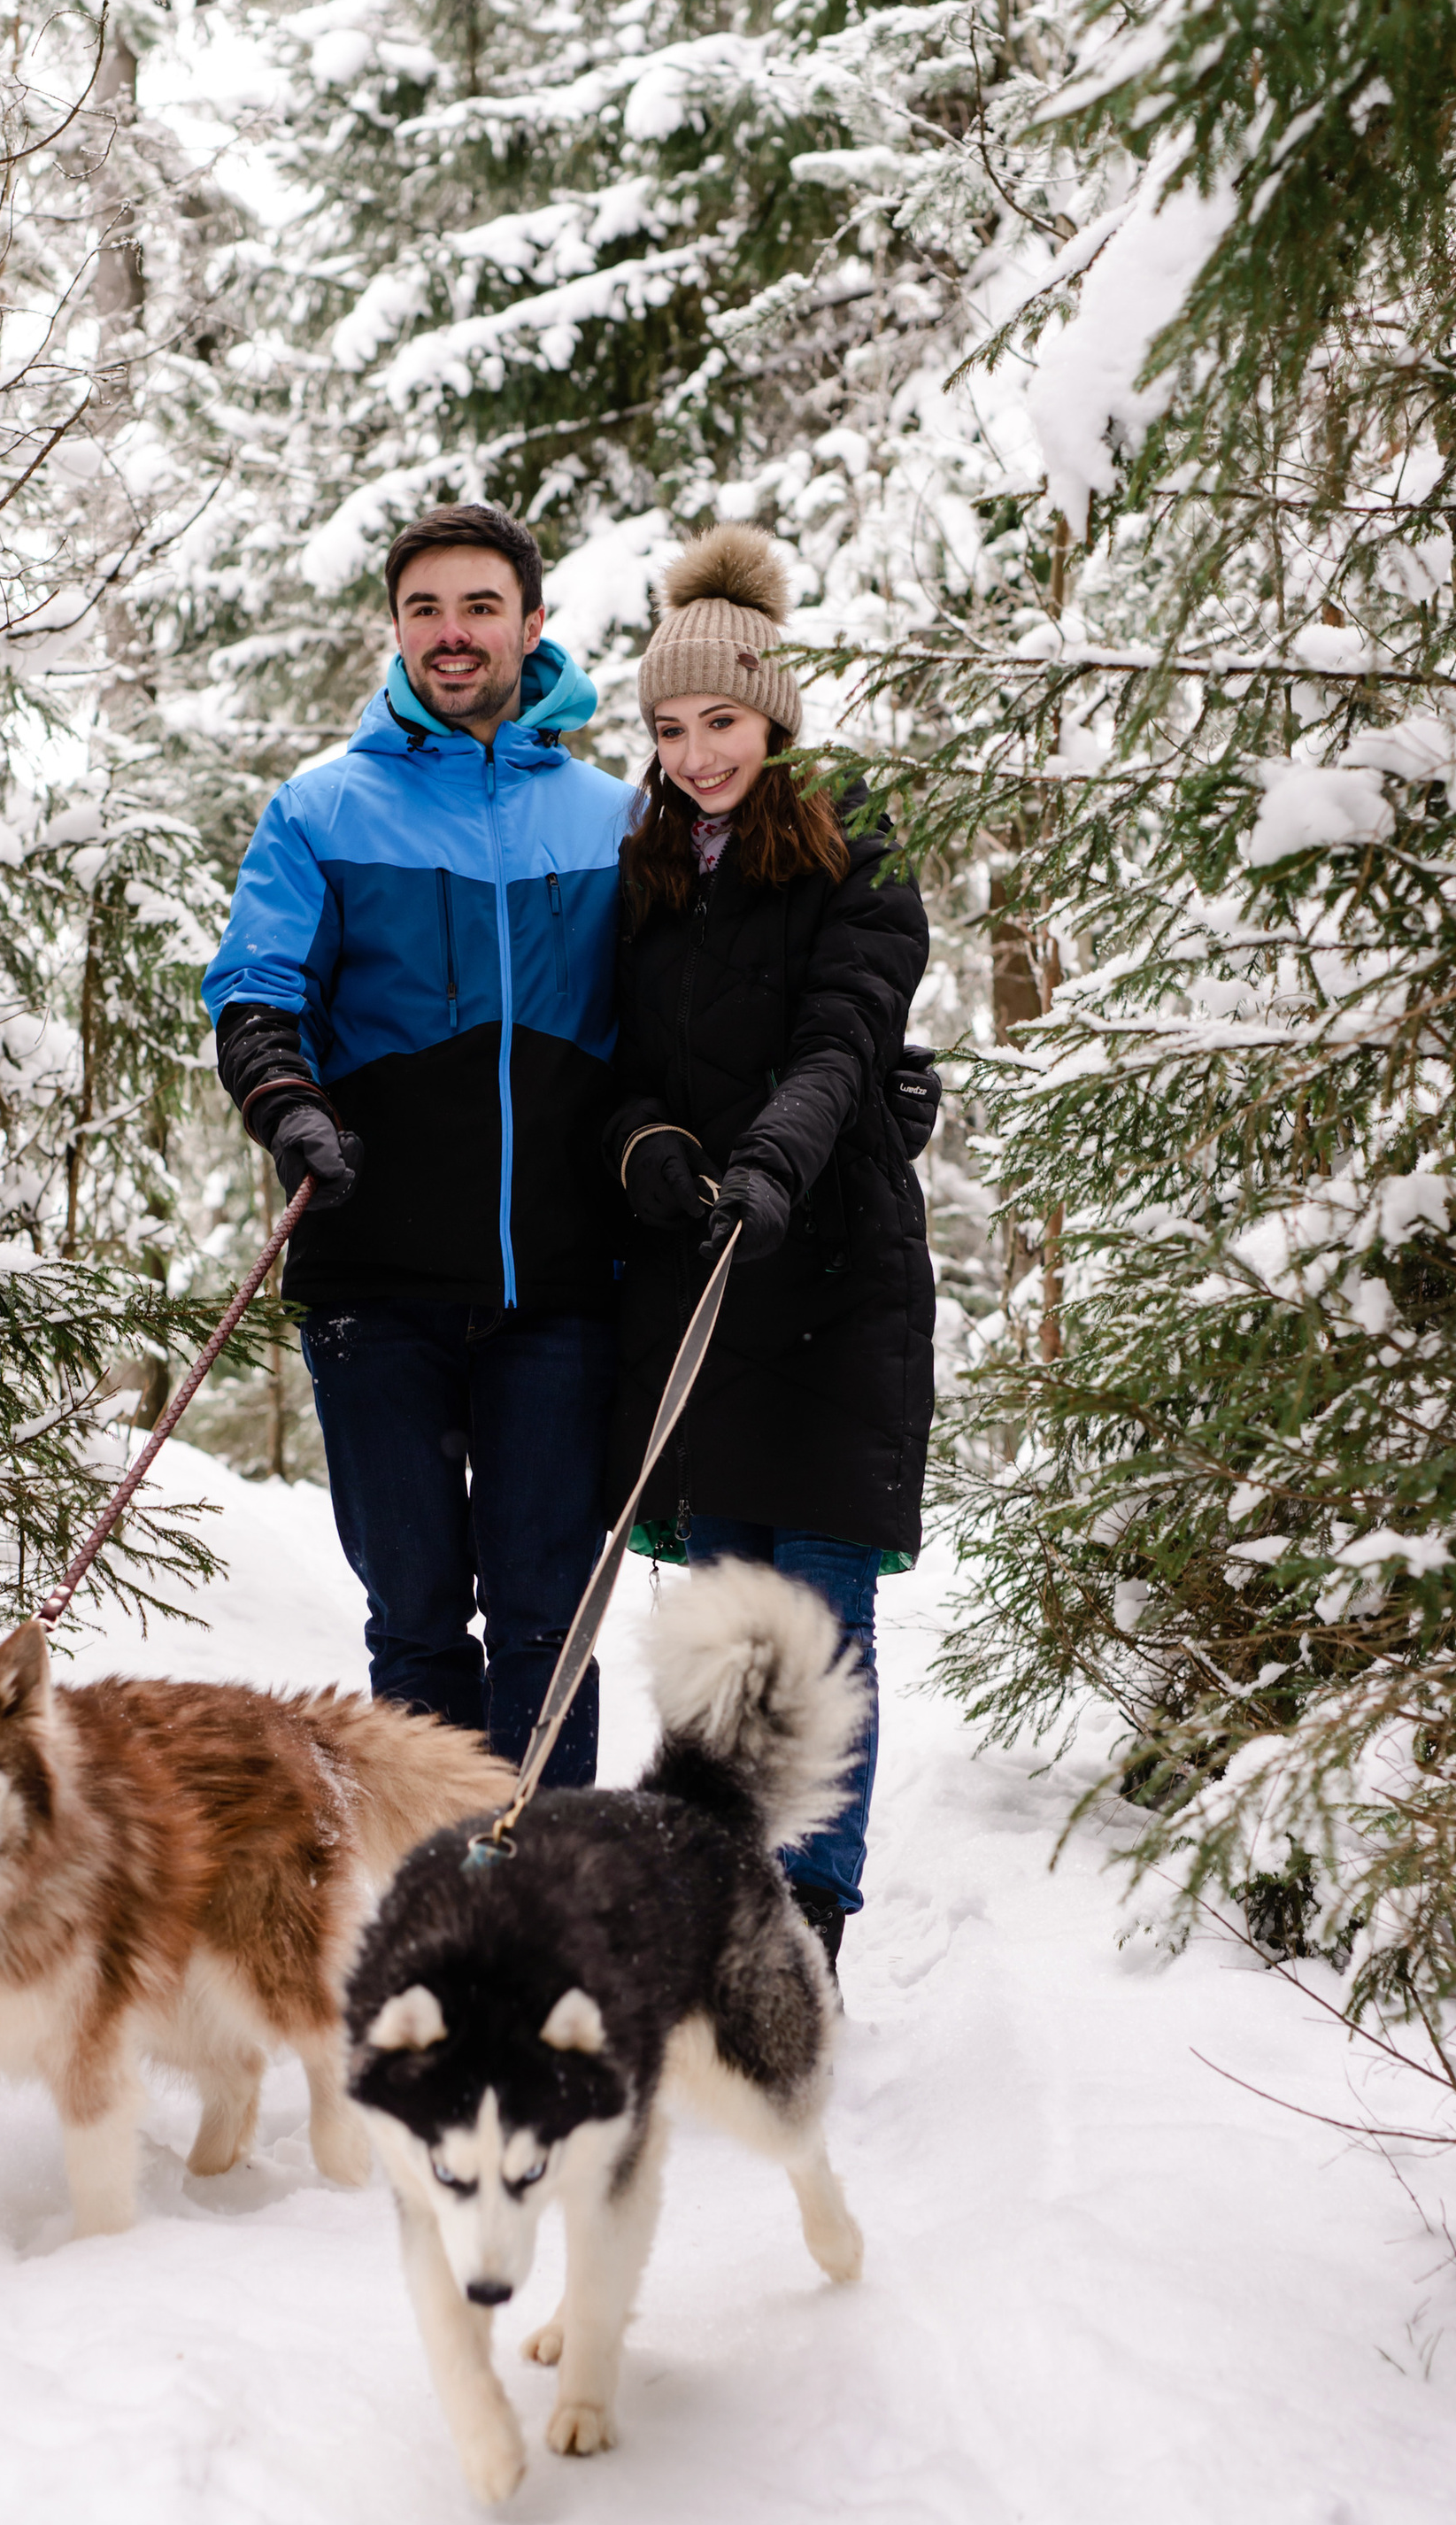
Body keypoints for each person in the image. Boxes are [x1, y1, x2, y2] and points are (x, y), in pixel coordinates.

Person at [204, 504, 635, 1785]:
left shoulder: (615, 822)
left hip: (561, 1284)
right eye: (426, 609)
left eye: (479, 606)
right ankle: (439, 1906)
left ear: (533, 624)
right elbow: (256, 986)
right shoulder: (322, 810)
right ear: (395, 628)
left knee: (549, 1618)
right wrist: (289, 1101)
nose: (452, 634)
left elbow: (700, 1006)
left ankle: (548, 1906)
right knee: (415, 1621)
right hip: (373, 1272)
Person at [604, 524, 936, 1963]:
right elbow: (606, 1054)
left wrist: (773, 1164)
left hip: (835, 1273)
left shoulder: (857, 838)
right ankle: (718, 1886)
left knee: (821, 1613)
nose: (694, 753)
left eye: (720, 721)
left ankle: (811, 1913)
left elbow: (847, 1031)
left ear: (774, 713)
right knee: (726, 1615)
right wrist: (651, 1148)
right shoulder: (646, 861)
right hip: (705, 1287)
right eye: (671, 728)